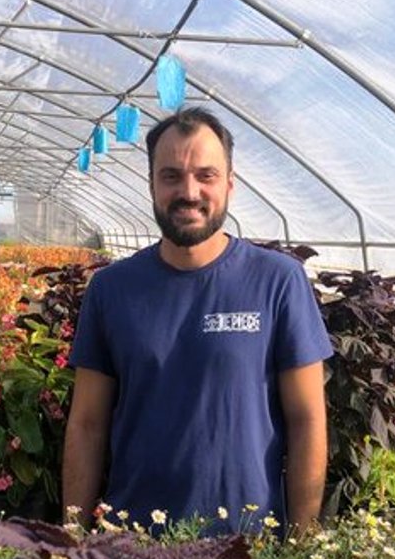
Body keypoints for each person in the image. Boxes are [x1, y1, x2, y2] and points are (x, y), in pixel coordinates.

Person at [62, 107, 331, 536]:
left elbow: (307, 419)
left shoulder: (278, 281)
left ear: (229, 184)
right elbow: (87, 424)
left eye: (206, 176)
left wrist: (302, 541)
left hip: (247, 545)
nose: (189, 192)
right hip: (132, 545)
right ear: (151, 184)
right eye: (171, 176)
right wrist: (74, 537)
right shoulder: (112, 289)